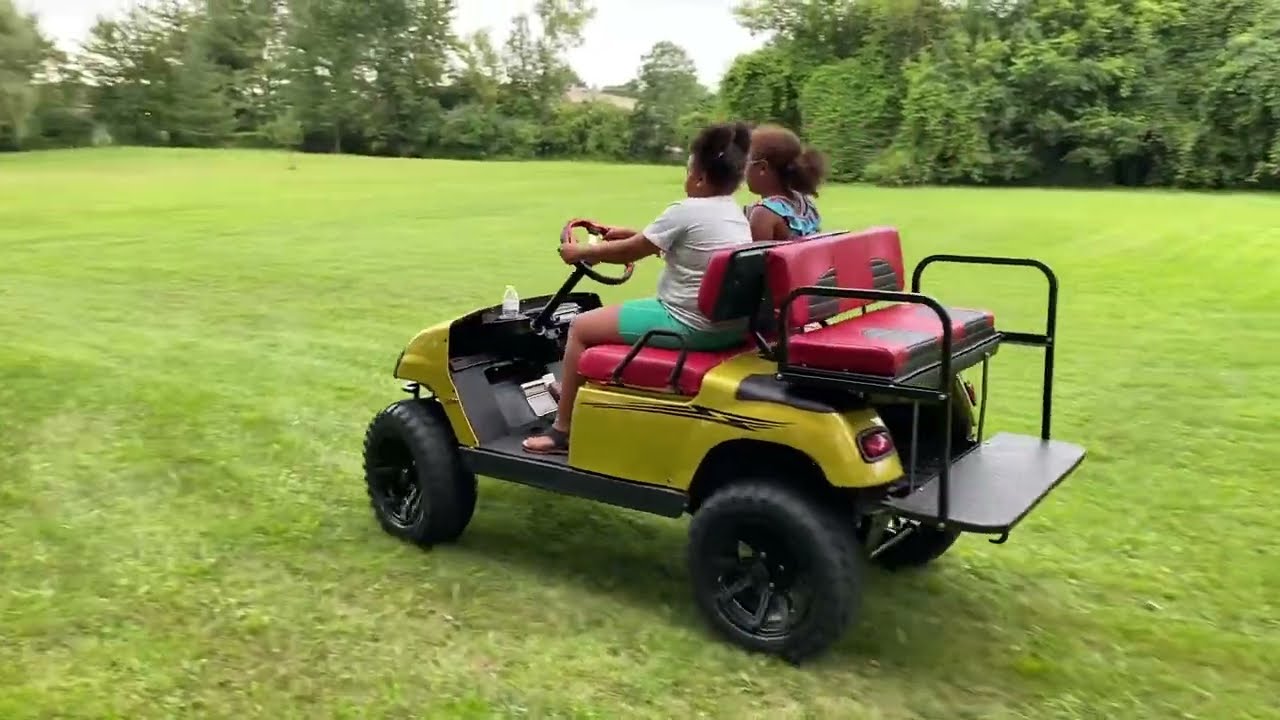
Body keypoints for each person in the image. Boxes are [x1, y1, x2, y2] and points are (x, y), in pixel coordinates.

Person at [523, 122, 755, 455]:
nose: (686, 178)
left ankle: (563, 431)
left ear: (700, 177)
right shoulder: (733, 214)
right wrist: (631, 236)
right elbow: (677, 245)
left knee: (580, 327)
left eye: (688, 171)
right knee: (608, 319)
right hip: (724, 325)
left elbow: (631, 251)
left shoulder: (685, 210)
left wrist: (582, 252)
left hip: (689, 324)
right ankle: (574, 390)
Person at [744, 124, 828, 241]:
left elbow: (753, 259)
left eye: (746, 161)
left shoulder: (763, 214)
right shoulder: (805, 203)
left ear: (762, 168)